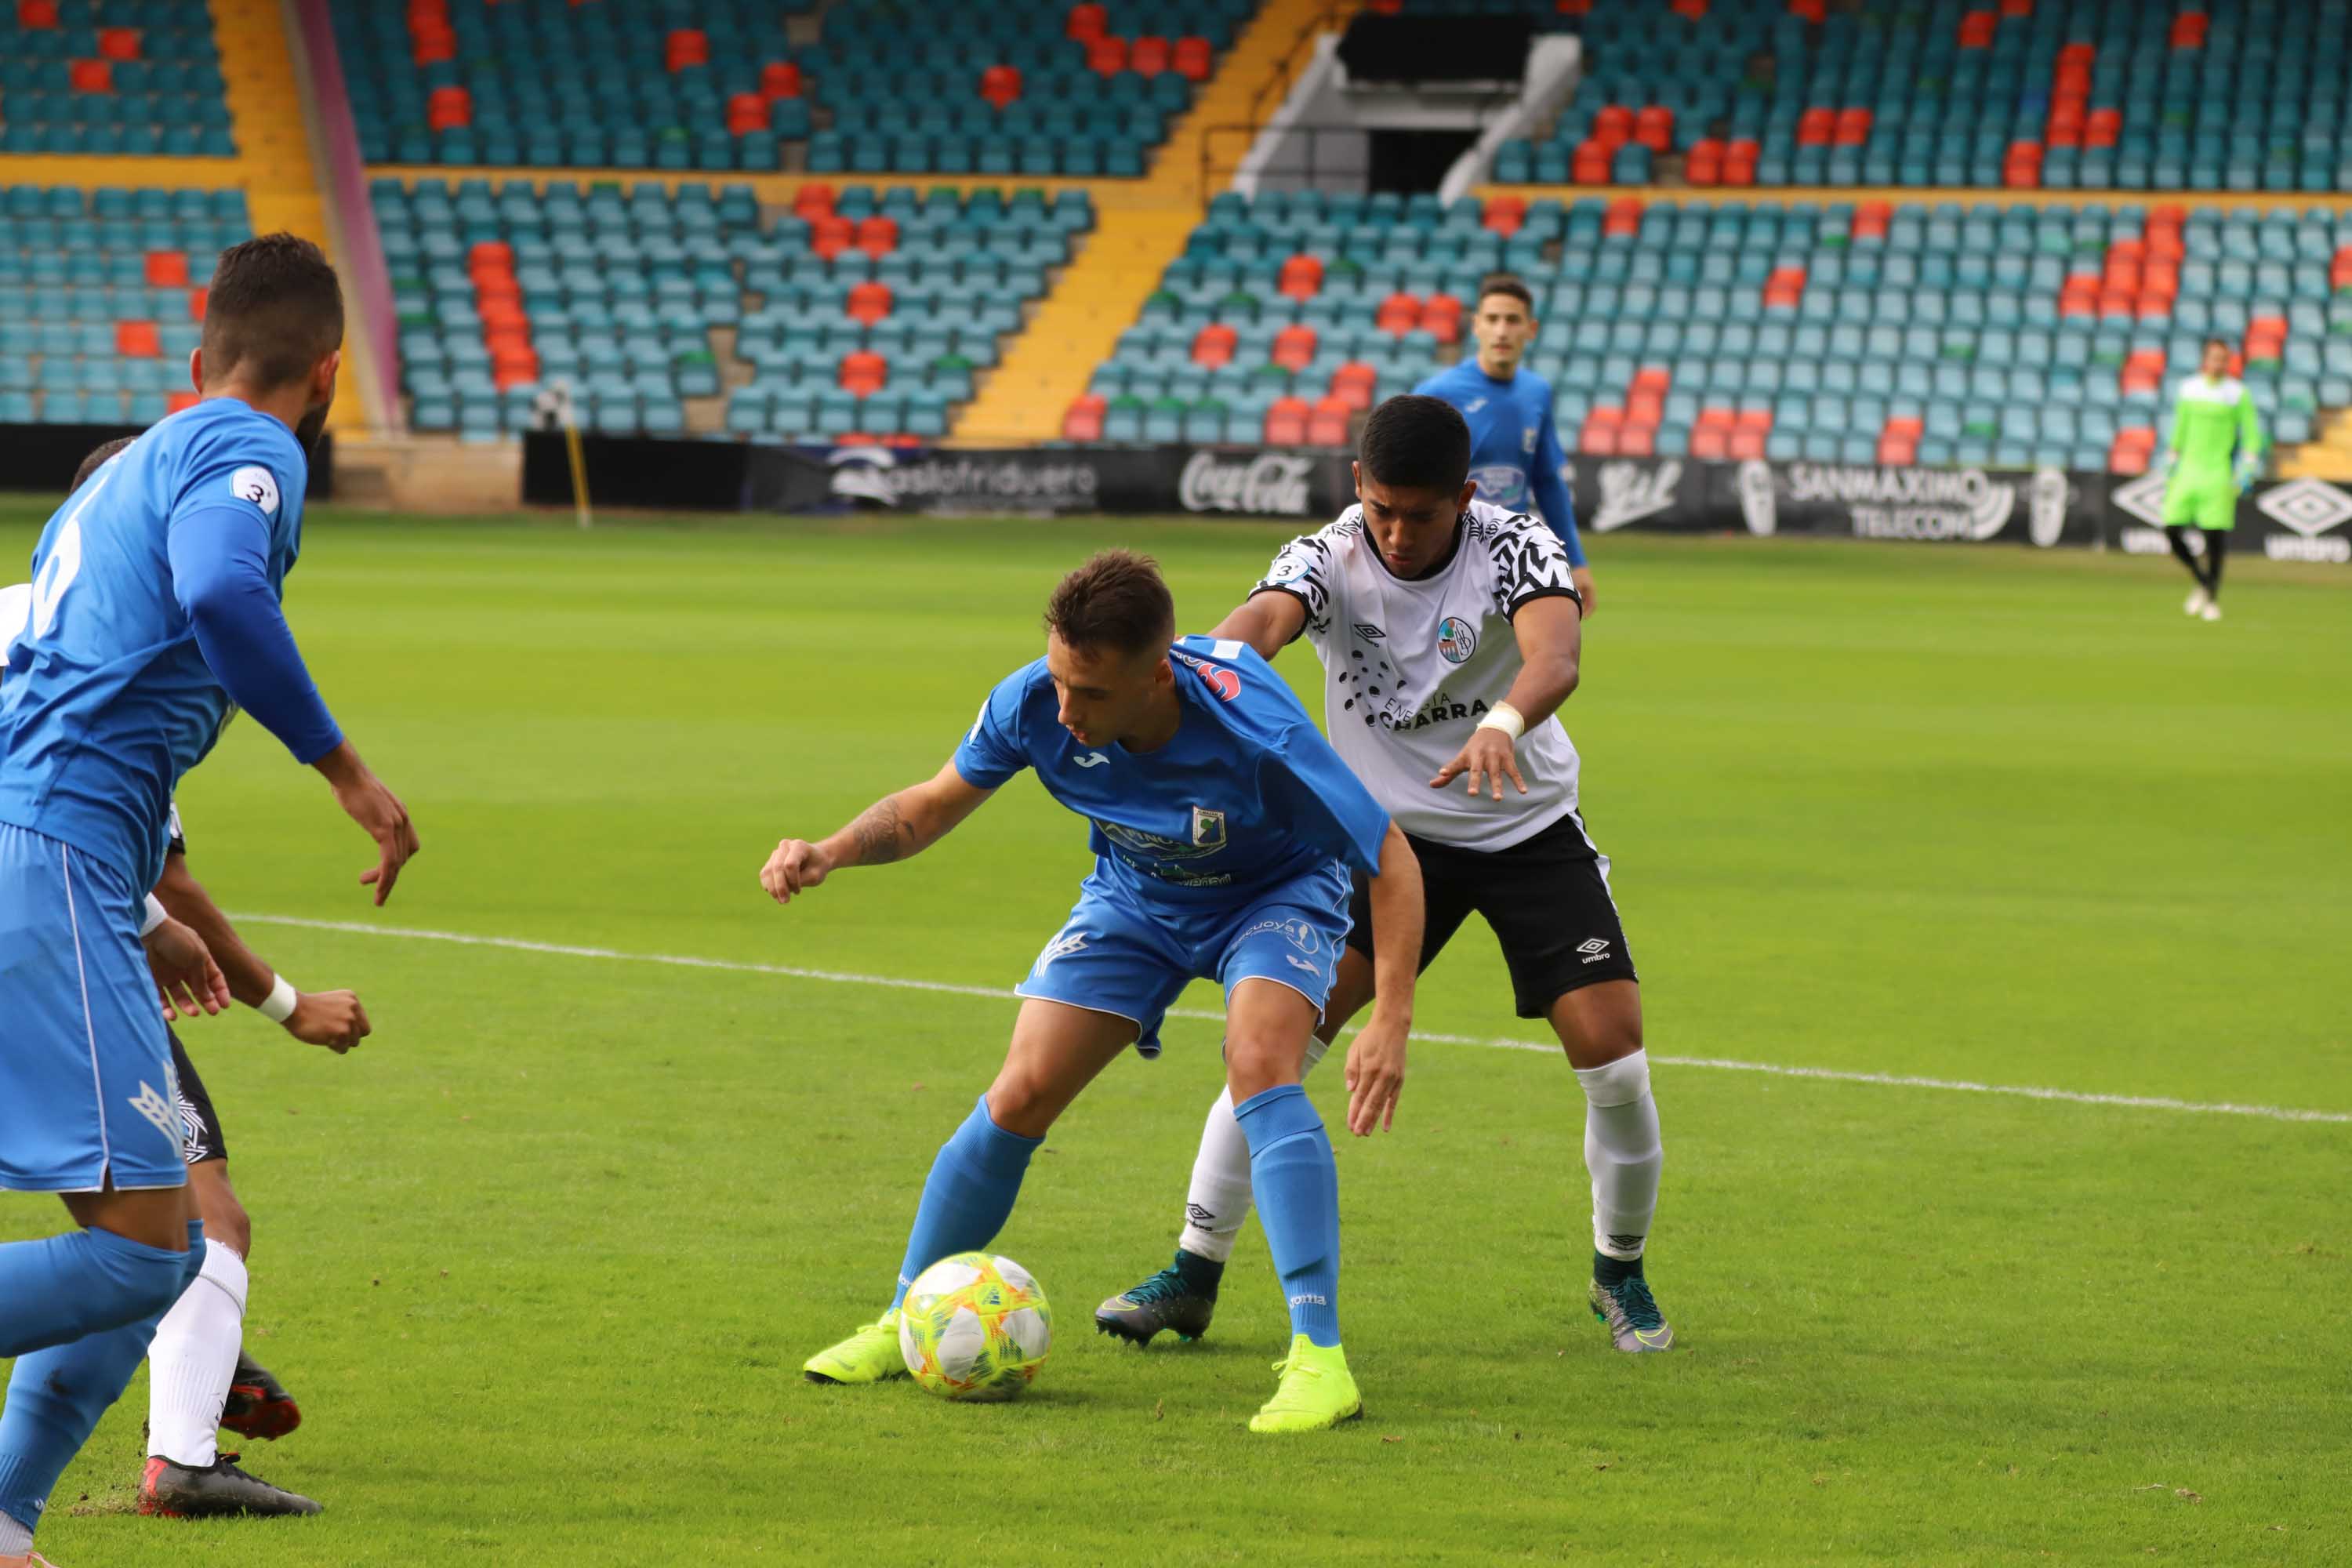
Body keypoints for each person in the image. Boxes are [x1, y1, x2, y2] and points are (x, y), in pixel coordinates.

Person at [765, 550, 1424, 1433]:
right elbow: (928, 805)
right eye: (1061, 680)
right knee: (1020, 1090)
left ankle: (1319, 1357)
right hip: (1137, 896)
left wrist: (1391, 1014)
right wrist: (831, 850)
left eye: (1094, 694)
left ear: (1159, 675)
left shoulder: (1253, 727)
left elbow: (1390, 857)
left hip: (1274, 894)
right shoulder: (1035, 700)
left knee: (1261, 1063)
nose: (1068, 712)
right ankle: (901, 1320)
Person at [0, 233, 419, 1567]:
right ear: (329, 373)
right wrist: (346, 770)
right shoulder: (253, 448)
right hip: (48, 861)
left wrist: (143, 898)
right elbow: (226, 587)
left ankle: (6, 1519)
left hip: (64, 866)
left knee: (162, 1249)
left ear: (196, 357)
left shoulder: (112, 479)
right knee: (140, 1253)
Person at [1096, 394, 1674, 1357]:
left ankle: (1619, 1268)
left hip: (1526, 824)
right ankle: (1192, 1269)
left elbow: (1556, 657)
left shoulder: (1516, 543)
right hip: (1379, 842)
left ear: (1466, 496)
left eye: (1424, 513)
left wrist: (1501, 723)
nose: (1400, 534)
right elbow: (1253, 629)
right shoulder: (1325, 554)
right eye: (1383, 509)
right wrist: (1210, 675)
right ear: (1356, 484)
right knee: (1273, 1047)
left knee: (1613, 1056)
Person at [1414, 274, 1595, 615]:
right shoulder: (1436, 395)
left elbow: (1547, 482)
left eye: (1513, 320)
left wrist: (1576, 560)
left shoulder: (1537, 393)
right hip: (1445, 565)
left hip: (1511, 563)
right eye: (1493, 319)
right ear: (1476, 325)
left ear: (1532, 329)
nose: (1502, 330)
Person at [2159, 336, 2265, 622]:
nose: (2219, 363)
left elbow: (2251, 433)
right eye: (2214, 357)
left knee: (2215, 539)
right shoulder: (2189, 389)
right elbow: (2180, 425)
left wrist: (2248, 466)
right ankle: (2202, 579)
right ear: (2205, 360)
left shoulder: (2236, 393)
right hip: (2187, 471)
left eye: (2224, 358)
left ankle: (2211, 598)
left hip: (2218, 472)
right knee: (2171, 529)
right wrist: (2170, 457)